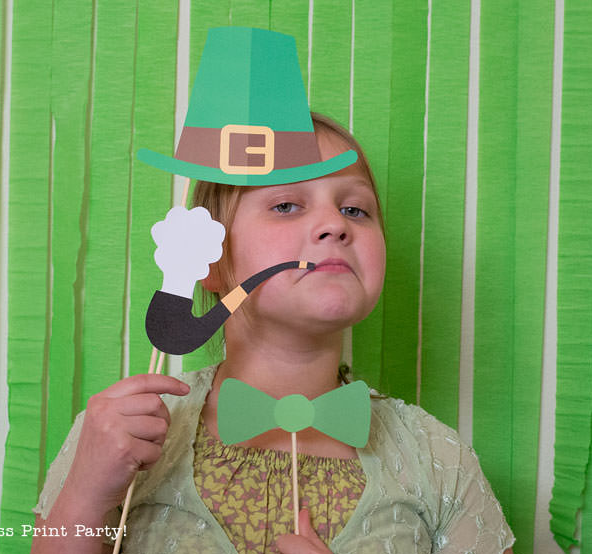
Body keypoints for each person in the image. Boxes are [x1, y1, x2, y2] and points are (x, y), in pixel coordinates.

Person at [30, 113, 515, 554]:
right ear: (211, 261)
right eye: (286, 204)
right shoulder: (119, 436)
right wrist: (83, 499)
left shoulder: (439, 462)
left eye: (355, 210)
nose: (333, 225)